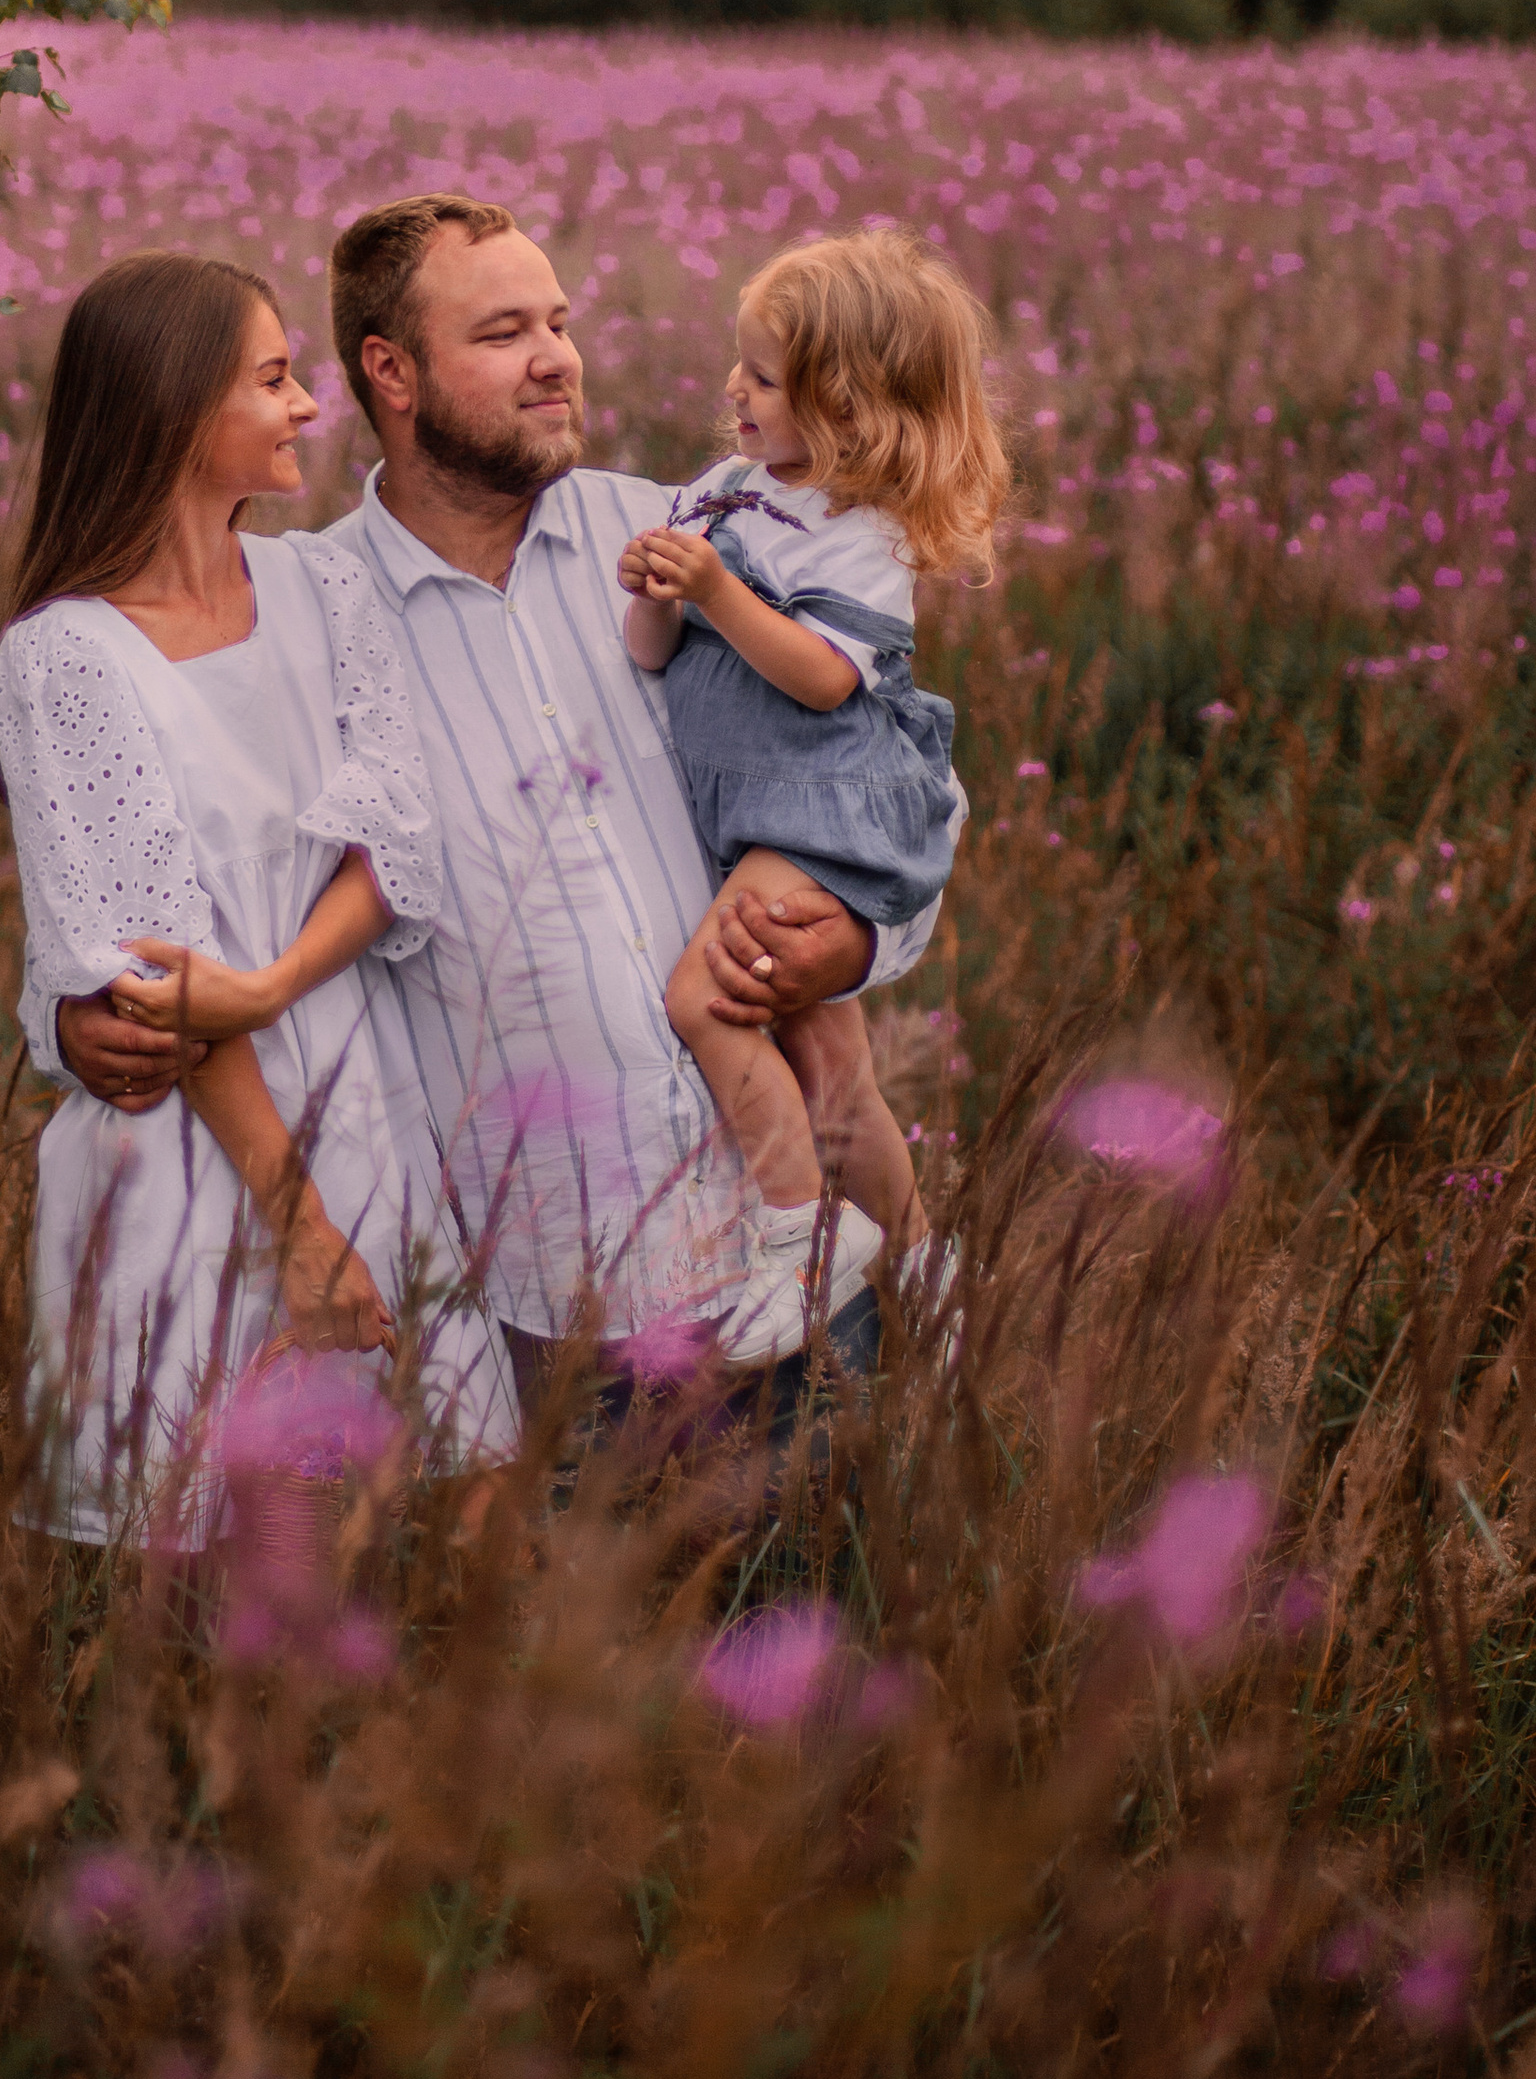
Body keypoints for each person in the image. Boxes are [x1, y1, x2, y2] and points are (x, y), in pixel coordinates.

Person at [56, 198, 960, 1418]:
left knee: (829, 1600)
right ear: (392, 372)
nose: (556, 358)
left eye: (559, 322)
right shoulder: (311, 614)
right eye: (502, 332)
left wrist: (856, 941)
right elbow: (211, 876)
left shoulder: (688, 538)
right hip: (547, 1304)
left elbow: (897, 782)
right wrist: (71, 1021)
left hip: (788, 1256)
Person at [0, 249, 512, 1547]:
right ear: (176, 411)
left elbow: (392, 845)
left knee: (425, 1532)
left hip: (360, 1109)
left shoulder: (327, 589)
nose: (306, 408)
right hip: (188, 1157)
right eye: (274, 379)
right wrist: (302, 1231)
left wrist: (274, 982)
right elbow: (157, 986)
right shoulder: (64, 658)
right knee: (200, 1566)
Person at [619, 233, 1001, 1336]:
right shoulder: (724, 493)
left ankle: (799, 1241)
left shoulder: (860, 531)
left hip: (826, 804)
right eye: (737, 364)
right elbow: (651, 653)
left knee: (705, 999)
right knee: (828, 1055)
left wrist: (717, 592)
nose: (732, 389)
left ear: (846, 406)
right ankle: (924, 1258)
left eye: (764, 377)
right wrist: (654, 589)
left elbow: (826, 680)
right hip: (758, 810)